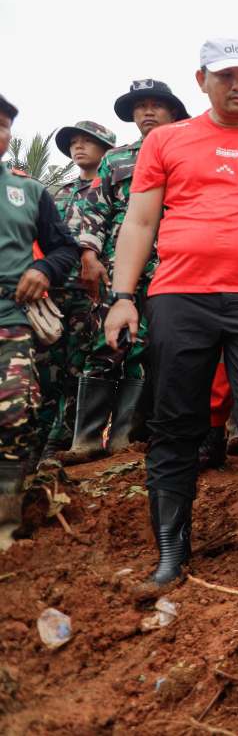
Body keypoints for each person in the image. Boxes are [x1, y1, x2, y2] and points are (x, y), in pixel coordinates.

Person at [103, 39, 238, 596]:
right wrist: (123, 296)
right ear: (202, 80)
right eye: (226, 76)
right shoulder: (168, 141)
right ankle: (171, 554)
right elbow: (140, 222)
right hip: (179, 295)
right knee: (175, 421)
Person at [67, 80, 189, 465]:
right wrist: (88, 253)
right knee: (106, 346)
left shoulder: (189, 151)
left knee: (152, 350)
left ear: (173, 111)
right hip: (117, 270)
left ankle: (126, 439)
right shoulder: (115, 160)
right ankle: (85, 440)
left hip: (172, 267)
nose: (147, 112)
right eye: (140, 107)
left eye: (156, 105)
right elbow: (94, 209)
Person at [0, 94, 79, 531]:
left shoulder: (28, 191)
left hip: (11, 317)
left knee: (15, 414)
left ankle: (6, 521)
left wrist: (43, 268)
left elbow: (64, 246)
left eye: (3, 125)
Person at [38, 121, 116, 456]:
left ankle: (68, 437)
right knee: (48, 367)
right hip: (55, 291)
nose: (78, 147)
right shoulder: (59, 193)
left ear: (106, 148)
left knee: (84, 363)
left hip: (95, 292)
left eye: (88, 141)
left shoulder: (117, 189)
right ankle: (40, 440)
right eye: (74, 142)